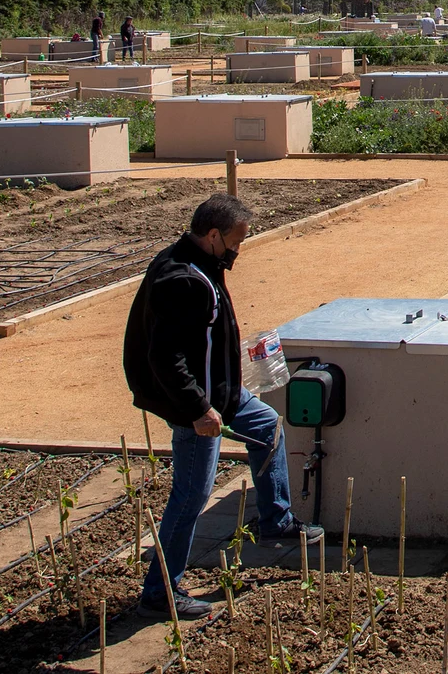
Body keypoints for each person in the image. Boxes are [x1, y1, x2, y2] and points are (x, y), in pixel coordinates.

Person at [124, 194, 323, 619]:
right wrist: (199, 410)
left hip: (224, 395)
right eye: (235, 241)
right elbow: (166, 357)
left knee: (267, 425)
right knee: (191, 495)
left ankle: (276, 519)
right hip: (198, 407)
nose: (238, 250)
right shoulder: (183, 279)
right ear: (213, 235)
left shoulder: (198, 263)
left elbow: (205, 336)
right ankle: (160, 591)